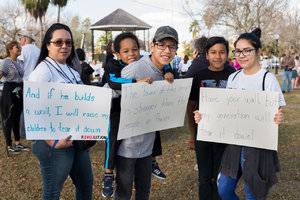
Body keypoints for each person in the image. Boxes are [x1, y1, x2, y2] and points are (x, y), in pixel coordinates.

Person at [195, 28, 285, 200]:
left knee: (253, 193)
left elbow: (279, 110)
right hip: (234, 144)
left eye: (247, 50)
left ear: (258, 52)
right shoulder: (233, 78)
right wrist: (204, 117)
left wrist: (279, 117)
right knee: (224, 190)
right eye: (238, 51)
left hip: (258, 146)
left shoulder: (268, 79)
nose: (242, 55)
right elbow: (225, 110)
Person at [101, 32, 173, 198]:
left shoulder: (144, 63)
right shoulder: (113, 64)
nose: (131, 54)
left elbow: (162, 62)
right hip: (117, 110)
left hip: (142, 119)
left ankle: (153, 160)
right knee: (112, 139)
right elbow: (113, 82)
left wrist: (169, 71)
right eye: (126, 51)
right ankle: (108, 173)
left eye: (134, 49)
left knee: (156, 128)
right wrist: (135, 83)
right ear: (117, 53)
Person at [28, 23, 93, 200]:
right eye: (58, 42)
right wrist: (52, 141)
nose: (64, 46)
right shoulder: (42, 72)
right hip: (56, 144)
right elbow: (31, 110)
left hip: (76, 140)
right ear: (48, 45)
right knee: (52, 192)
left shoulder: (72, 70)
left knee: (86, 185)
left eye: (68, 42)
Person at [188, 36, 235, 200]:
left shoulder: (234, 76)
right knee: (204, 177)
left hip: (226, 135)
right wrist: (193, 134)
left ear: (227, 54)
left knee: (221, 177)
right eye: (213, 52)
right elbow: (191, 106)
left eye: (222, 52)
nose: (218, 56)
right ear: (206, 55)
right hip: (204, 134)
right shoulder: (199, 75)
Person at [0, 41, 29, 154]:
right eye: (17, 47)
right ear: (10, 49)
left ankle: (17, 143)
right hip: (9, 92)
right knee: (8, 119)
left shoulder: (19, 62)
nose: (20, 48)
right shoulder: (6, 62)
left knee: (16, 117)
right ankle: (9, 146)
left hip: (19, 90)